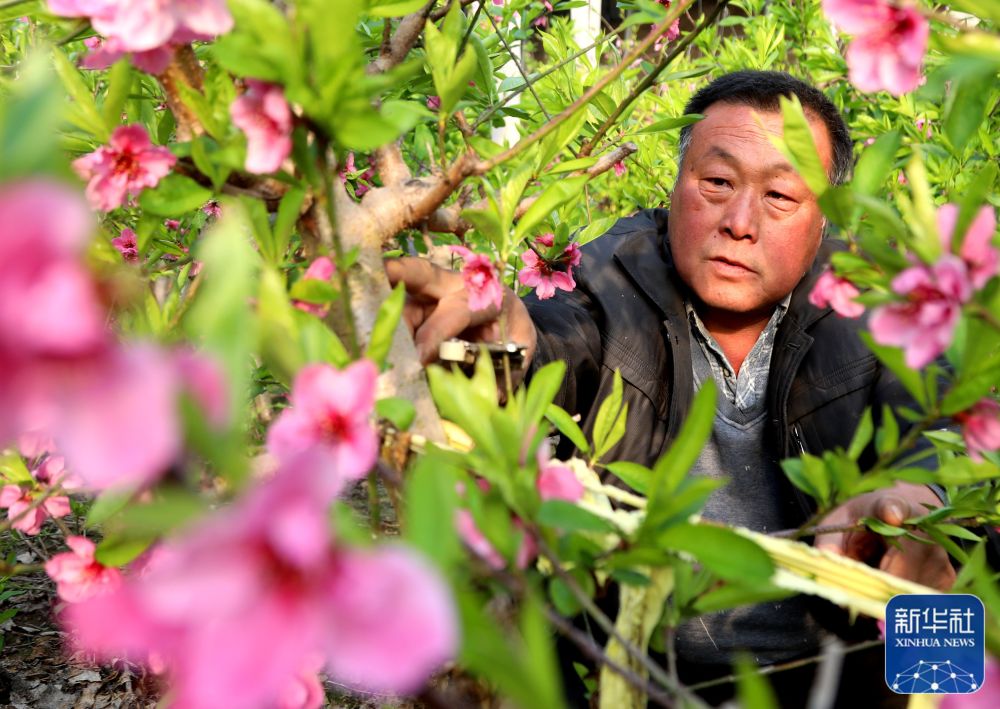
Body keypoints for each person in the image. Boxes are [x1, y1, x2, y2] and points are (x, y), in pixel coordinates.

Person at [387, 71, 955, 704]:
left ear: (825, 221)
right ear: (677, 184)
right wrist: (502, 345)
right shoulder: (612, 273)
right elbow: (556, 337)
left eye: (780, 195)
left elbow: (941, 423)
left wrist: (918, 499)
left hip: (843, 670)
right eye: (717, 182)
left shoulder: (873, 301)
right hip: (633, 667)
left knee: (954, 586)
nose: (739, 223)